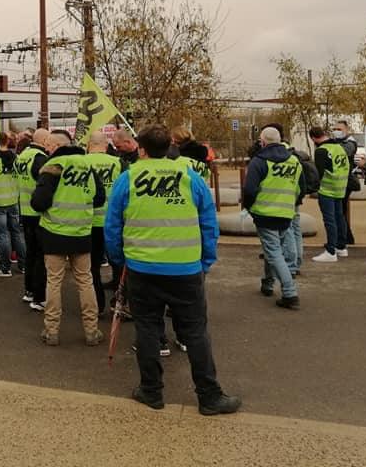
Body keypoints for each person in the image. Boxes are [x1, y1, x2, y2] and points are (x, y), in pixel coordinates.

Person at [105, 125, 240, 415]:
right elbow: (209, 223)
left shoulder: (127, 178)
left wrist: (119, 260)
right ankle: (209, 396)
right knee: (195, 333)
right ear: (169, 147)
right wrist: (206, 260)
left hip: (142, 269)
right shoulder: (190, 177)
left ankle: (151, 391)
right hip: (185, 270)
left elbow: (113, 225)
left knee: (148, 330)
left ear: (140, 149)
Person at [30, 130, 105, 347]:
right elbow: (99, 197)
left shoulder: (53, 166)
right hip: (81, 232)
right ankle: (92, 331)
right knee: (85, 280)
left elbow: (39, 202)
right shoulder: (87, 165)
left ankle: (51, 330)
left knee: (54, 281)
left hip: (54, 233)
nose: (46, 149)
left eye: (49, 146)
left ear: (57, 146)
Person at [243, 127, 306, 309]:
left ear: (262, 141)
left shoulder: (259, 161)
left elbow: (249, 189)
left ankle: (290, 292)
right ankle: (268, 283)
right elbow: (301, 187)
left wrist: (249, 207)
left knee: (274, 252)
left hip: (264, 213)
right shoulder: (294, 161)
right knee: (272, 249)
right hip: (286, 213)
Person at [86, 131, 123, 314]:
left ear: (89, 144)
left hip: (90, 222)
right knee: (118, 263)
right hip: (114, 221)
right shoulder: (118, 163)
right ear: (106, 146)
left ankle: (97, 304)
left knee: (92, 266)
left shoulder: (82, 163)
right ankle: (118, 302)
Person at [15, 128, 49, 310]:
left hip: (25, 209)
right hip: (38, 213)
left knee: (30, 254)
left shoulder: (23, 155)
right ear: (44, 141)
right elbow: (45, 183)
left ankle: (29, 291)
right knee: (40, 257)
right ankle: (39, 296)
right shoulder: (40, 158)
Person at [0, 133, 25, 278]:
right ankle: (23, 265)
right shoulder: (16, 158)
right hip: (13, 199)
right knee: (16, 233)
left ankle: (5, 267)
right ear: (7, 142)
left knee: (3, 235)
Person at [309, 126, 350, 263]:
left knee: (329, 220)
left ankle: (331, 250)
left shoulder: (321, 150)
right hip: (340, 187)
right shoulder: (339, 147)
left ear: (313, 138)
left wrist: (313, 187)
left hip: (327, 188)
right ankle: (341, 246)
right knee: (340, 216)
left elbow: (319, 173)